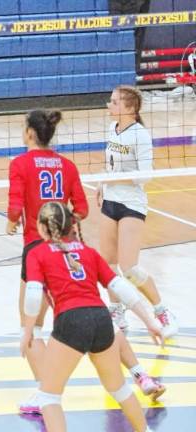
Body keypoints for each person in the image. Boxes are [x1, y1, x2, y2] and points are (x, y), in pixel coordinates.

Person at [8, 110, 164, 414]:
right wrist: (63, 224)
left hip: (38, 250)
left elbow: (15, 206)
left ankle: (45, 394)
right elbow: (81, 207)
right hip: (72, 247)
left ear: (29, 134)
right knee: (95, 312)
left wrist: (11, 222)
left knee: (31, 327)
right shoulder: (66, 165)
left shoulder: (20, 164)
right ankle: (141, 375)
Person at [21, 201, 163, 432]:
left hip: (71, 321)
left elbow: (34, 294)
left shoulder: (37, 253)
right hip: (101, 320)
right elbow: (119, 287)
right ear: (69, 225)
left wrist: (27, 331)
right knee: (120, 389)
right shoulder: (88, 252)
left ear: (43, 227)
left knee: (48, 397)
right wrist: (149, 321)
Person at [98, 85, 178, 338]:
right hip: (109, 200)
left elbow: (145, 176)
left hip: (131, 204)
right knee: (108, 265)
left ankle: (161, 310)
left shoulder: (140, 135)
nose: (108, 106)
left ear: (129, 108)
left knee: (129, 267)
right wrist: (102, 185)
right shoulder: (112, 128)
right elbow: (109, 165)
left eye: (113, 102)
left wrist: (114, 181)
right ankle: (116, 311)